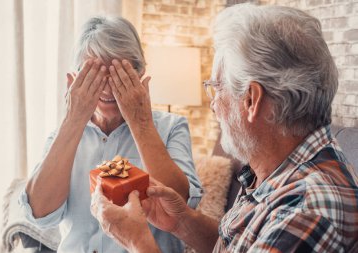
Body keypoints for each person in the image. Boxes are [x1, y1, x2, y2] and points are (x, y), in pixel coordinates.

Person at [90, 3, 358, 253]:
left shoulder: (304, 212)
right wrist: (182, 222)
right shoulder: (276, 170)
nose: (214, 106)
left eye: (216, 89)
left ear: (251, 100)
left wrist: (138, 241)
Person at [19, 16, 202, 253]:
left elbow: (181, 210)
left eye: (117, 74)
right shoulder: (62, 135)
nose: (106, 88)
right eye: (95, 74)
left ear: (140, 75)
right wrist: (73, 120)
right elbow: (39, 213)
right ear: (74, 80)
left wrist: (141, 121)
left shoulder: (171, 127)